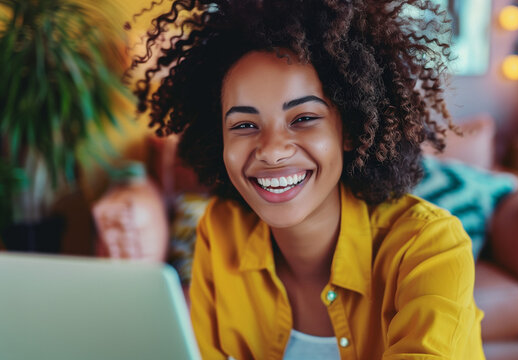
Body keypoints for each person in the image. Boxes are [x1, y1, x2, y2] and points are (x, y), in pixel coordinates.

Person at [129, 0, 485, 358]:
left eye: (303, 118)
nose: (271, 150)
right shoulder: (221, 231)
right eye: (244, 125)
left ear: (350, 130)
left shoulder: (429, 246)